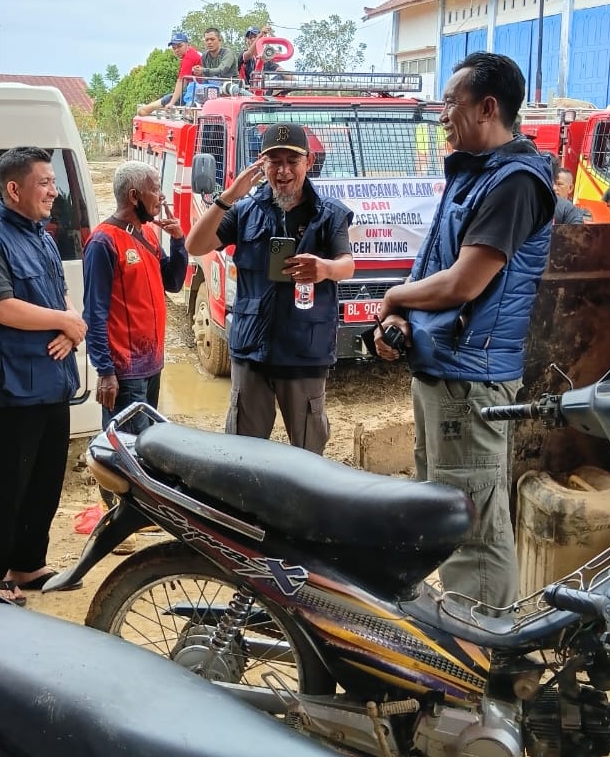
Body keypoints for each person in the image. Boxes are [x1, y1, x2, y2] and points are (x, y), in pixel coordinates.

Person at [375, 52, 554, 610]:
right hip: (443, 373)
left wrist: (393, 297)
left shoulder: (515, 183)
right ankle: (463, 638)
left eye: (451, 102)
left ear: (488, 107)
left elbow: (463, 283)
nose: (442, 114)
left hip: (471, 383)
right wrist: (399, 318)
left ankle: (483, 658)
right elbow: (434, 263)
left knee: (474, 525)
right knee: (447, 510)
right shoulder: (470, 176)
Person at [0, 147, 85, 601]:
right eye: (44, 183)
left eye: (54, 183)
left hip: (52, 381)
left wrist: (74, 327)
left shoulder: (42, 236)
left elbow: (62, 299)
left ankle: (28, 565)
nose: (54, 192)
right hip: (12, 387)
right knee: (6, 486)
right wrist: (62, 321)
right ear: (14, 189)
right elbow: (0, 307)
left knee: (45, 481)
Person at [185, 122, 354, 453]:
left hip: (304, 353)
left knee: (307, 457)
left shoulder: (329, 214)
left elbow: (347, 265)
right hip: (252, 353)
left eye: (292, 161)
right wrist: (229, 197)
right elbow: (195, 244)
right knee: (244, 458)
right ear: (261, 165)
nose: (284, 170)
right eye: (274, 161)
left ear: (309, 162)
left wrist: (324, 269)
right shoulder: (244, 212)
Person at [83, 161, 188, 426]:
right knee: (126, 452)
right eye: (154, 189)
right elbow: (94, 313)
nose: (161, 197)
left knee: (146, 445)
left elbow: (173, 283)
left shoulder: (148, 235)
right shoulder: (103, 242)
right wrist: (105, 371)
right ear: (134, 196)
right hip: (125, 373)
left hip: (152, 366)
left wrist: (178, 241)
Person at [137, 32, 203, 116]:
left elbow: (181, 82)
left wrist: (171, 103)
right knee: (171, 97)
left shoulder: (189, 58)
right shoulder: (193, 53)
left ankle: (147, 109)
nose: (177, 50)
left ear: (187, 45)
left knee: (170, 99)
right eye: (174, 48)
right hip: (196, 91)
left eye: (179, 46)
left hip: (197, 94)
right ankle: (147, 108)